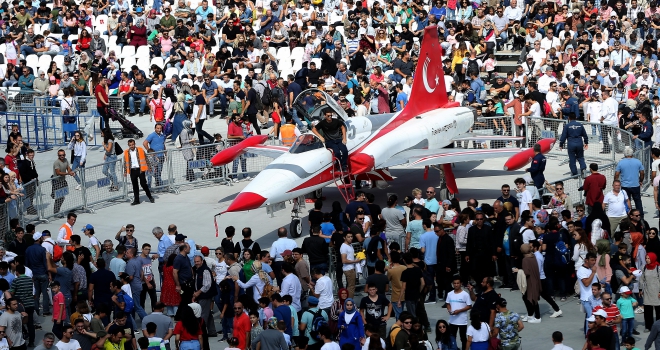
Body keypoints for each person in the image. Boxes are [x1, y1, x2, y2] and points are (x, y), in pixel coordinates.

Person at [615, 147, 645, 217]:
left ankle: (628, 214)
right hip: (635, 185)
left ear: (624, 154)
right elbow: (642, 173)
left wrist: (616, 183)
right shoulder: (638, 161)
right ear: (632, 154)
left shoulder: (621, 162)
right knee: (637, 201)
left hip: (625, 186)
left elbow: (617, 174)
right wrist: (641, 180)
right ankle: (640, 215)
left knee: (626, 201)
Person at [123, 139, 154, 205]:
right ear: (128, 145)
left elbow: (146, 158)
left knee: (143, 184)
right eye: (130, 145)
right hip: (132, 170)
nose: (132, 146)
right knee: (135, 186)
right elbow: (125, 162)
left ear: (135, 144)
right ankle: (136, 200)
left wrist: (149, 167)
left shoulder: (140, 150)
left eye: (133, 144)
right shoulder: (126, 152)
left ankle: (150, 197)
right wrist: (125, 171)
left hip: (140, 170)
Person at [447, 276, 472, 350]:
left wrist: (459, 311)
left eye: (458, 283)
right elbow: (447, 303)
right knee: (452, 337)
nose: (456, 285)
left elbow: (469, 306)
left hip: (462, 321)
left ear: (461, 284)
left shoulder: (465, 294)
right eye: (454, 283)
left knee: (463, 338)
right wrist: (449, 310)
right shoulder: (450, 294)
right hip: (452, 321)